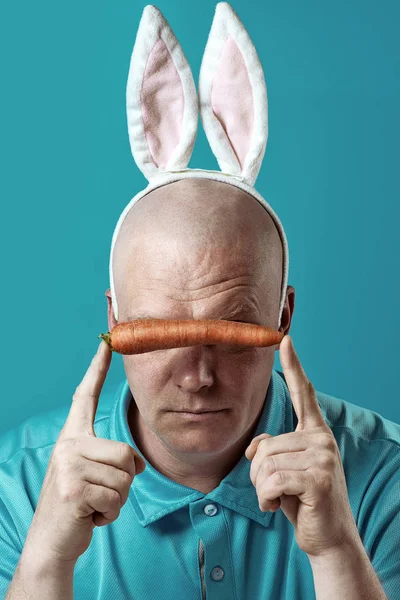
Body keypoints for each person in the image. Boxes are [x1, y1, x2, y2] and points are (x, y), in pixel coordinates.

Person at [2, 3, 400, 599]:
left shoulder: (383, 479)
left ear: (283, 316)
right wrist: (47, 563)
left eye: (232, 329)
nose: (197, 376)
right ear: (115, 320)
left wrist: (338, 550)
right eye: (159, 332)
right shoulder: (19, 486)